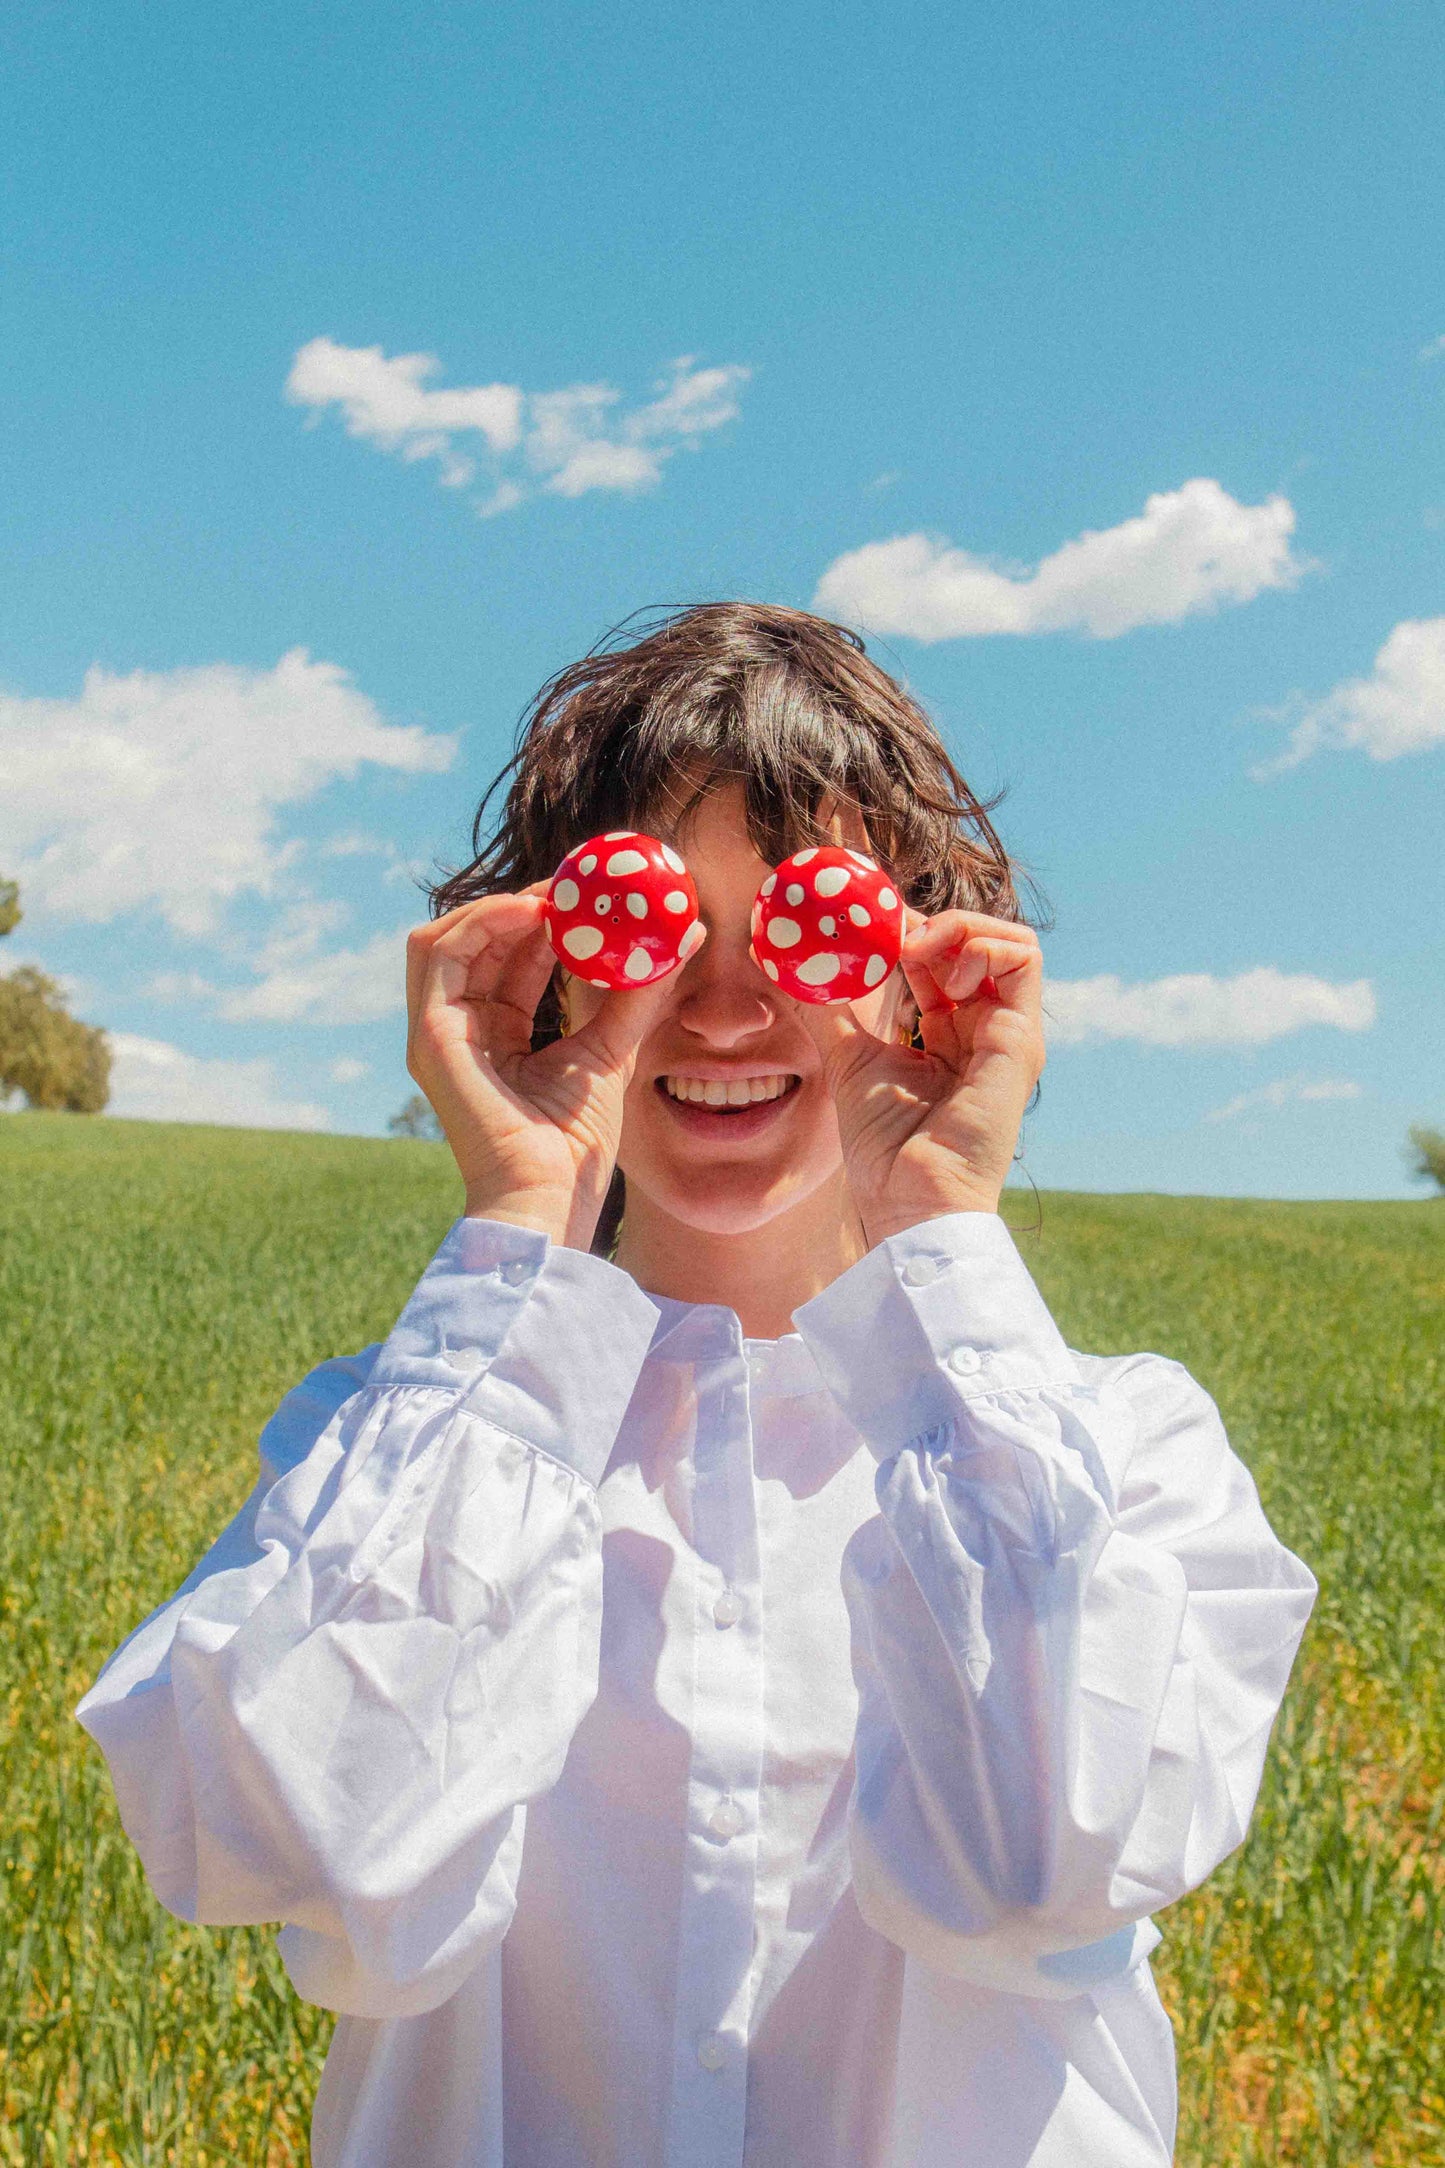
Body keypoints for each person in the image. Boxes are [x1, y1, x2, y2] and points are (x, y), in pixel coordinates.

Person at [78, 603, 1318, 2168]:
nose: (725, 1011)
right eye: (652, 936)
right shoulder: (380, 1446)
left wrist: (937, 1231)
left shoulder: (1120, 1451)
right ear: (540, 965)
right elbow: (308, 1837)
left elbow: (1039, 1858)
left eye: (809, 929)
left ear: (918, 973)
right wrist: (519, 1220)